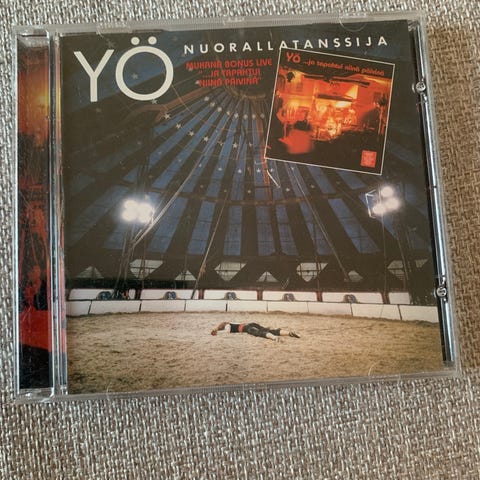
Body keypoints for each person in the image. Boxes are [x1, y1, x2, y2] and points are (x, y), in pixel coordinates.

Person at [211, 322, 300, 342]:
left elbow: (227, 331)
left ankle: (274, 337)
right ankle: (288, 333)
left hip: (247, 328)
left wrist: (218, 332)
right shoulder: (229, 324)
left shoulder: (227, 325)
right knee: (270, 330)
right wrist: (216, 330)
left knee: (260, 334)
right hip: (250, 324)